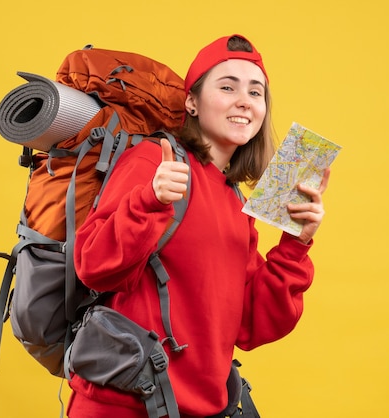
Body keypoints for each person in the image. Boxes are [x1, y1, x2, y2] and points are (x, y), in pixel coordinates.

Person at [67, 34, 331, 418]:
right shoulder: (153, 161)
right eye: (227, 87)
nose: (244, 100)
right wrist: (149, 201)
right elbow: (93, 266)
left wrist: (294, 245)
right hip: (122, 406)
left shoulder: (235, 201)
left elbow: (252, 325)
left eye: (256, 93)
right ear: (192, 102)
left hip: (197, 410)